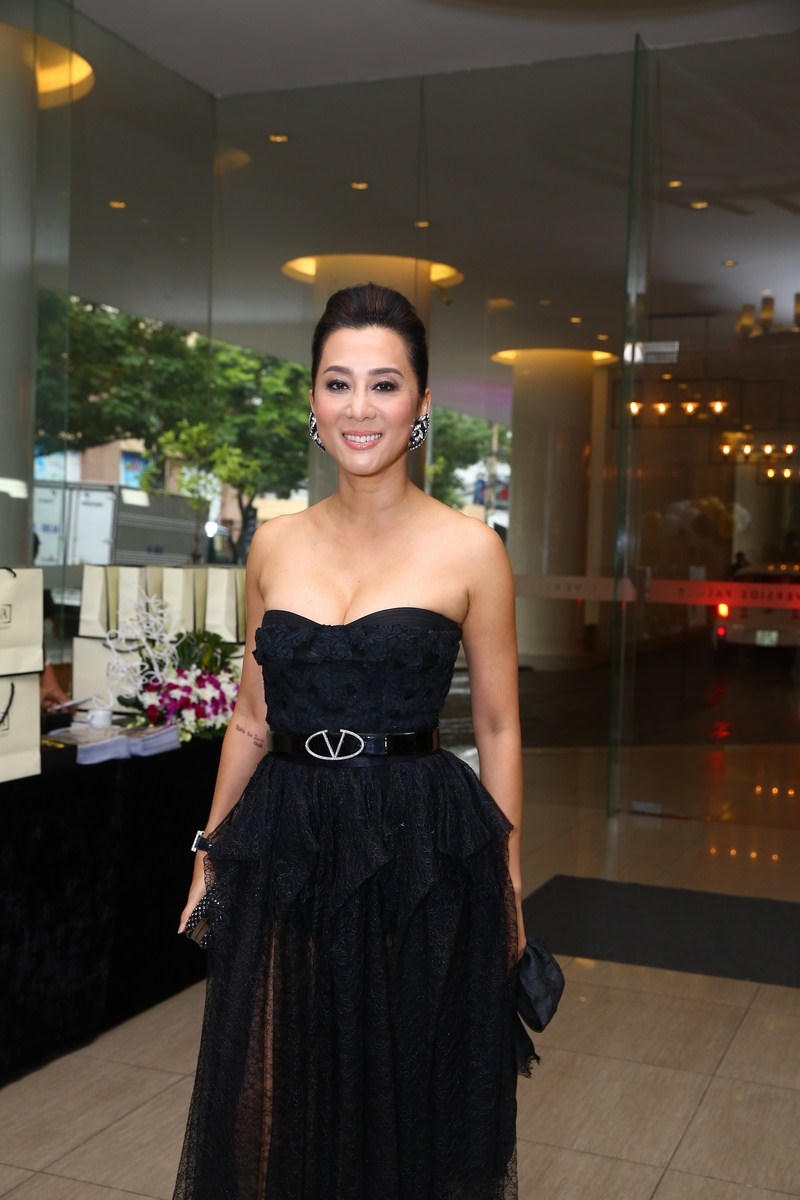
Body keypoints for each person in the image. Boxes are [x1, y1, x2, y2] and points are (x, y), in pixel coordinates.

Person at [173, 283, 526, 1199]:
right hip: (288, 838)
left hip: (419, 845)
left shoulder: (471, 549)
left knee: (407, 1096)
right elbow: (252, 718)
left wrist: (508, 879)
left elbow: (497, 726)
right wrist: (209, 849)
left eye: (384, 384)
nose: (359, 408)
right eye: (338, 383)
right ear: (313, 401)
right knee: (274, 1092)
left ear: (421, 404)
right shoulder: (273, 543)